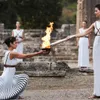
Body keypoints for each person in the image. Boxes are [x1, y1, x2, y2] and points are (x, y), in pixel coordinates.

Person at [67, 4, 100, 99]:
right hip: (97, 44)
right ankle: (97, 92)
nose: (95, 12)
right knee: (97, 68)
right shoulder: (95, 24)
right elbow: (85, 32)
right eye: (94, 11)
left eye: (96, 10)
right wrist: (73, 36)